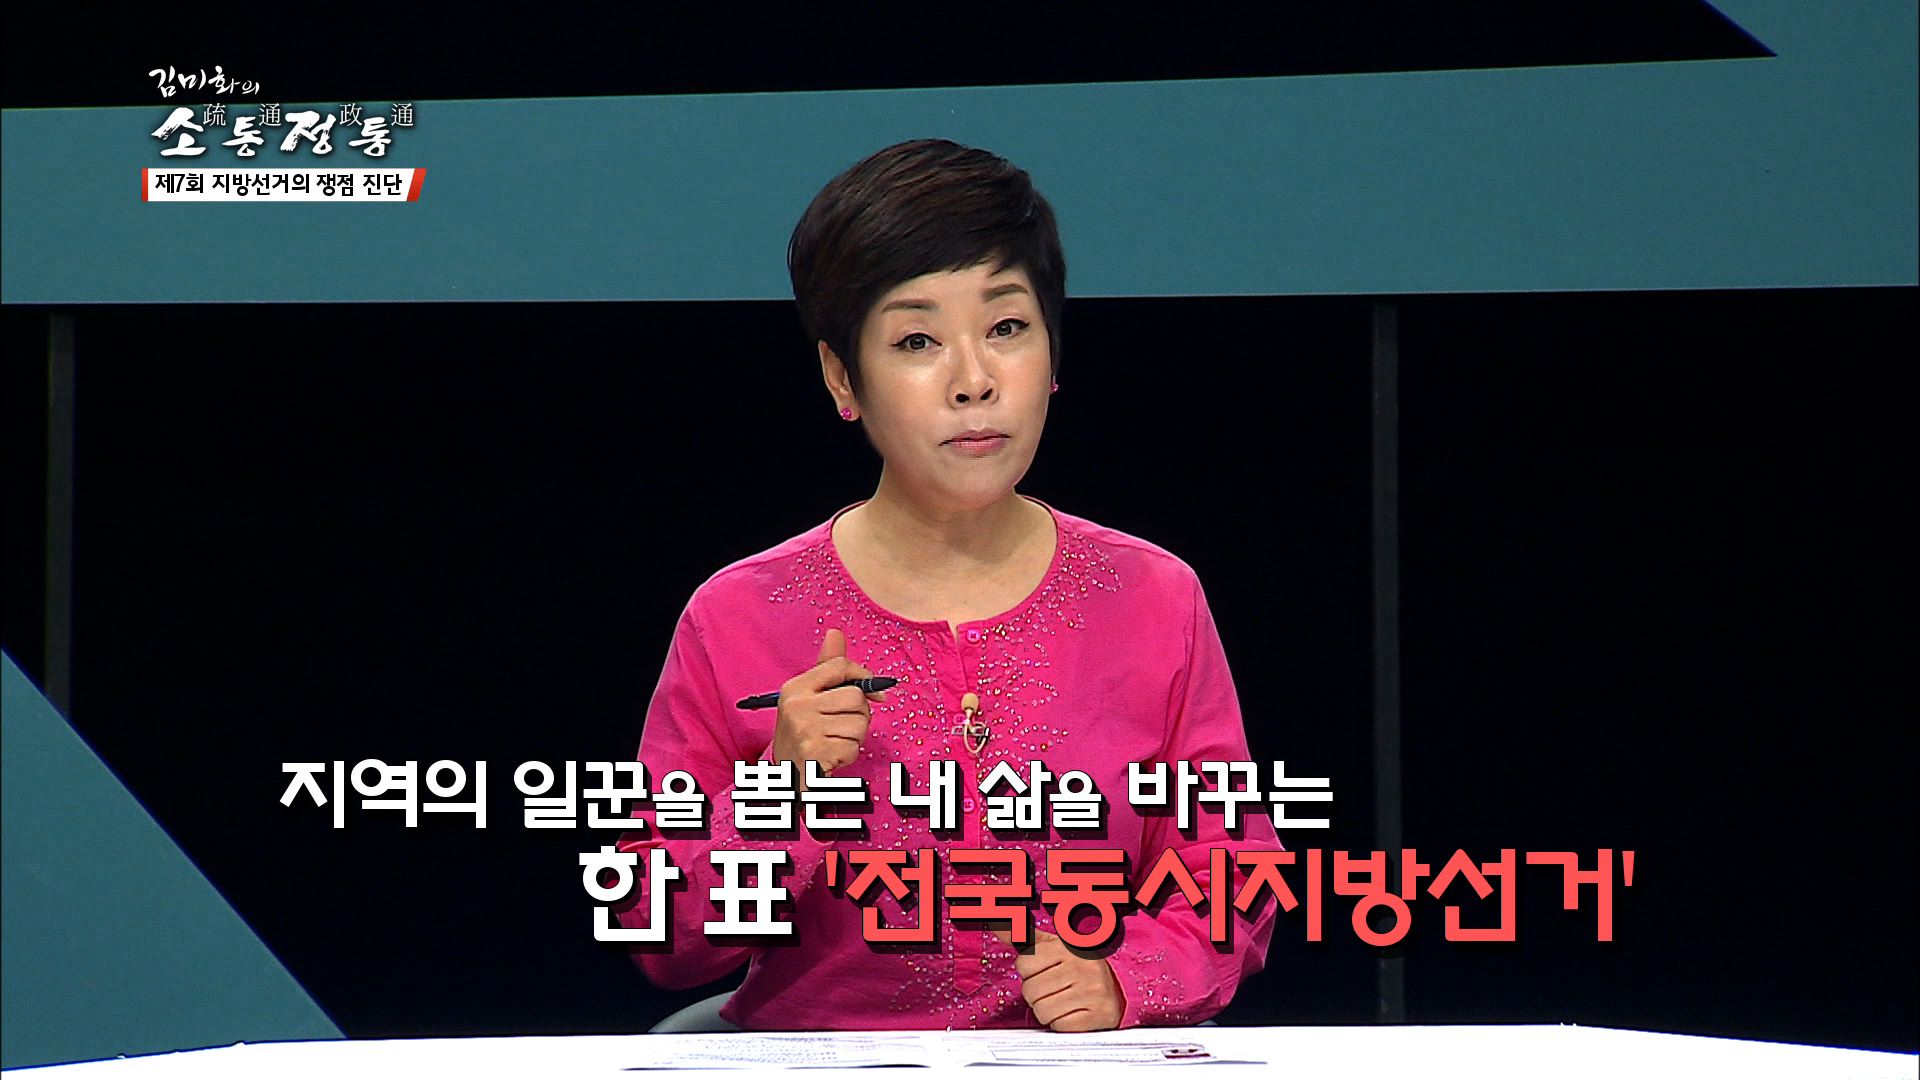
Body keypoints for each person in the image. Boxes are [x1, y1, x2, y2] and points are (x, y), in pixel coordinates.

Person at [615, 138, 1281, 1031]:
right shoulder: (737, 615)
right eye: (917, 341)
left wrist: (1129, 978)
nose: (974, 382)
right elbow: (658, 930)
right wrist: (784, 790)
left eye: (1006, 328)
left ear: (1052, 354)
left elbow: (1230, 875)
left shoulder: (1153, 597)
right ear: (843, 377)